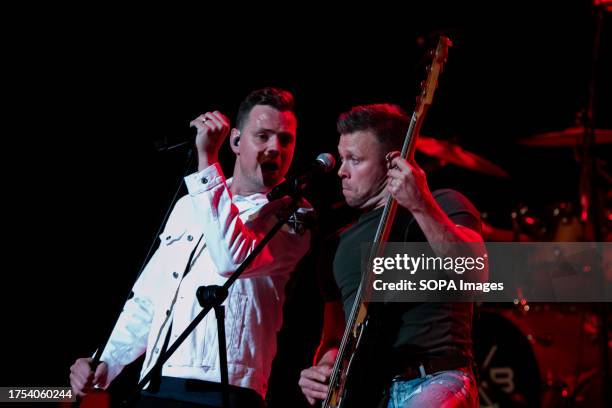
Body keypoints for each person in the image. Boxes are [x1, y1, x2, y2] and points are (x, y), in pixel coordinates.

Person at [70, 88, 311, 407]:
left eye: (285, 140)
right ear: (236, 141)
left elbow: (232, 258)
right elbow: (150, 298)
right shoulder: (190, 205)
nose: (274, 148)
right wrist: (107, 361)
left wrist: (207, 163)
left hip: (225, 390)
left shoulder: (293, 213)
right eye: (263, 136)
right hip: (156, 382)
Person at [298, 104, 486, 407]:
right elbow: (334, 338)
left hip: (434, 379)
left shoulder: (444, 205)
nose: (342, 171)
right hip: (365, 390)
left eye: (355, 160)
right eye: (342, 158)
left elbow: (474, 275)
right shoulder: (336, 244)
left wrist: (420, 204)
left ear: (392, 162)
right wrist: (323, 368)